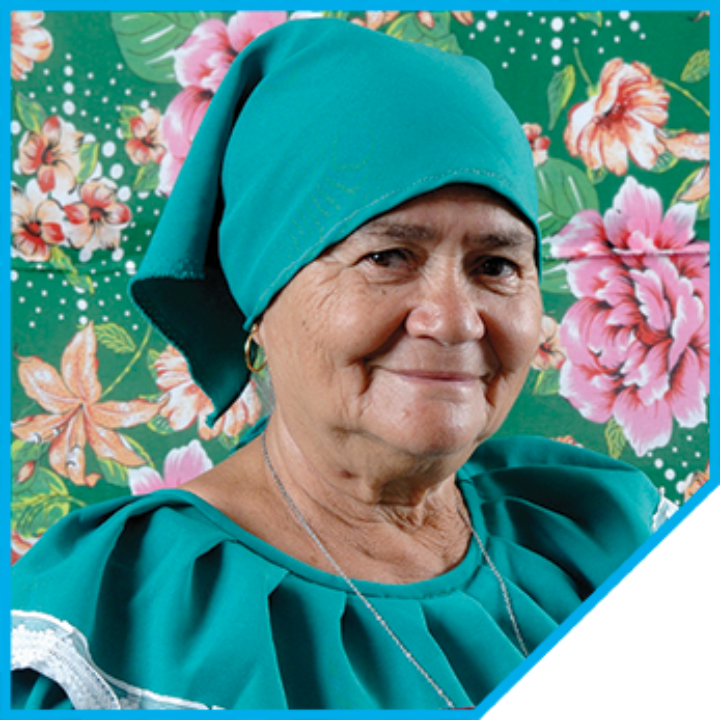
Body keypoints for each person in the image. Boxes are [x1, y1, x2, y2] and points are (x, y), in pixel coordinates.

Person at [11, 18, 662, 710]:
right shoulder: (116, 620)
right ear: (262, 302)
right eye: (389, 257)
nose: (454, 320)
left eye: (496, 265)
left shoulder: (597, 533)